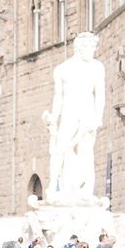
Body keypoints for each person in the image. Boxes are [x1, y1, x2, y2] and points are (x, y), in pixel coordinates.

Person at [44, 32, 105, 199]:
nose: (93, 51)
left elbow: (100, 95)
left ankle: (86, 190)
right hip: (69, 114)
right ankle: (53, 186)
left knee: (87, 152)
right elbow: (59, 96)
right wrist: (54, 118)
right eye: (90, 48)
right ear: (79, 49)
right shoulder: (63, 70)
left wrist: (97, 118)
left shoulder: (97, 67)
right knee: (59, 150)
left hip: (87, 114)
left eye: (94, 48)